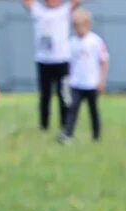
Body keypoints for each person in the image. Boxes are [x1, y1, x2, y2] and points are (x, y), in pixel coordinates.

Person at [20, 0, 80, 132]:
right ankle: (44, 125)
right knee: (45, 95)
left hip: (62, 60)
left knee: (64, 94)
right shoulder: (38, 10)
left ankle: (65, 125)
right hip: (44, 60)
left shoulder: (64, 11)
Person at [59, 7, 106, 142]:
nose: (78, 29)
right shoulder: (71, 42)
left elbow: (104, 61)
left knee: (93, 110)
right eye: (75, 26)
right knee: (72, 109)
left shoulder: (95, 41)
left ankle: (96, 135)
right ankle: (68, 134)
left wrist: (101, 80)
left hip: (91, 82)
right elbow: (67, 62)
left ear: (87, 24)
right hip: (76, 82)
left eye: (80, 25)